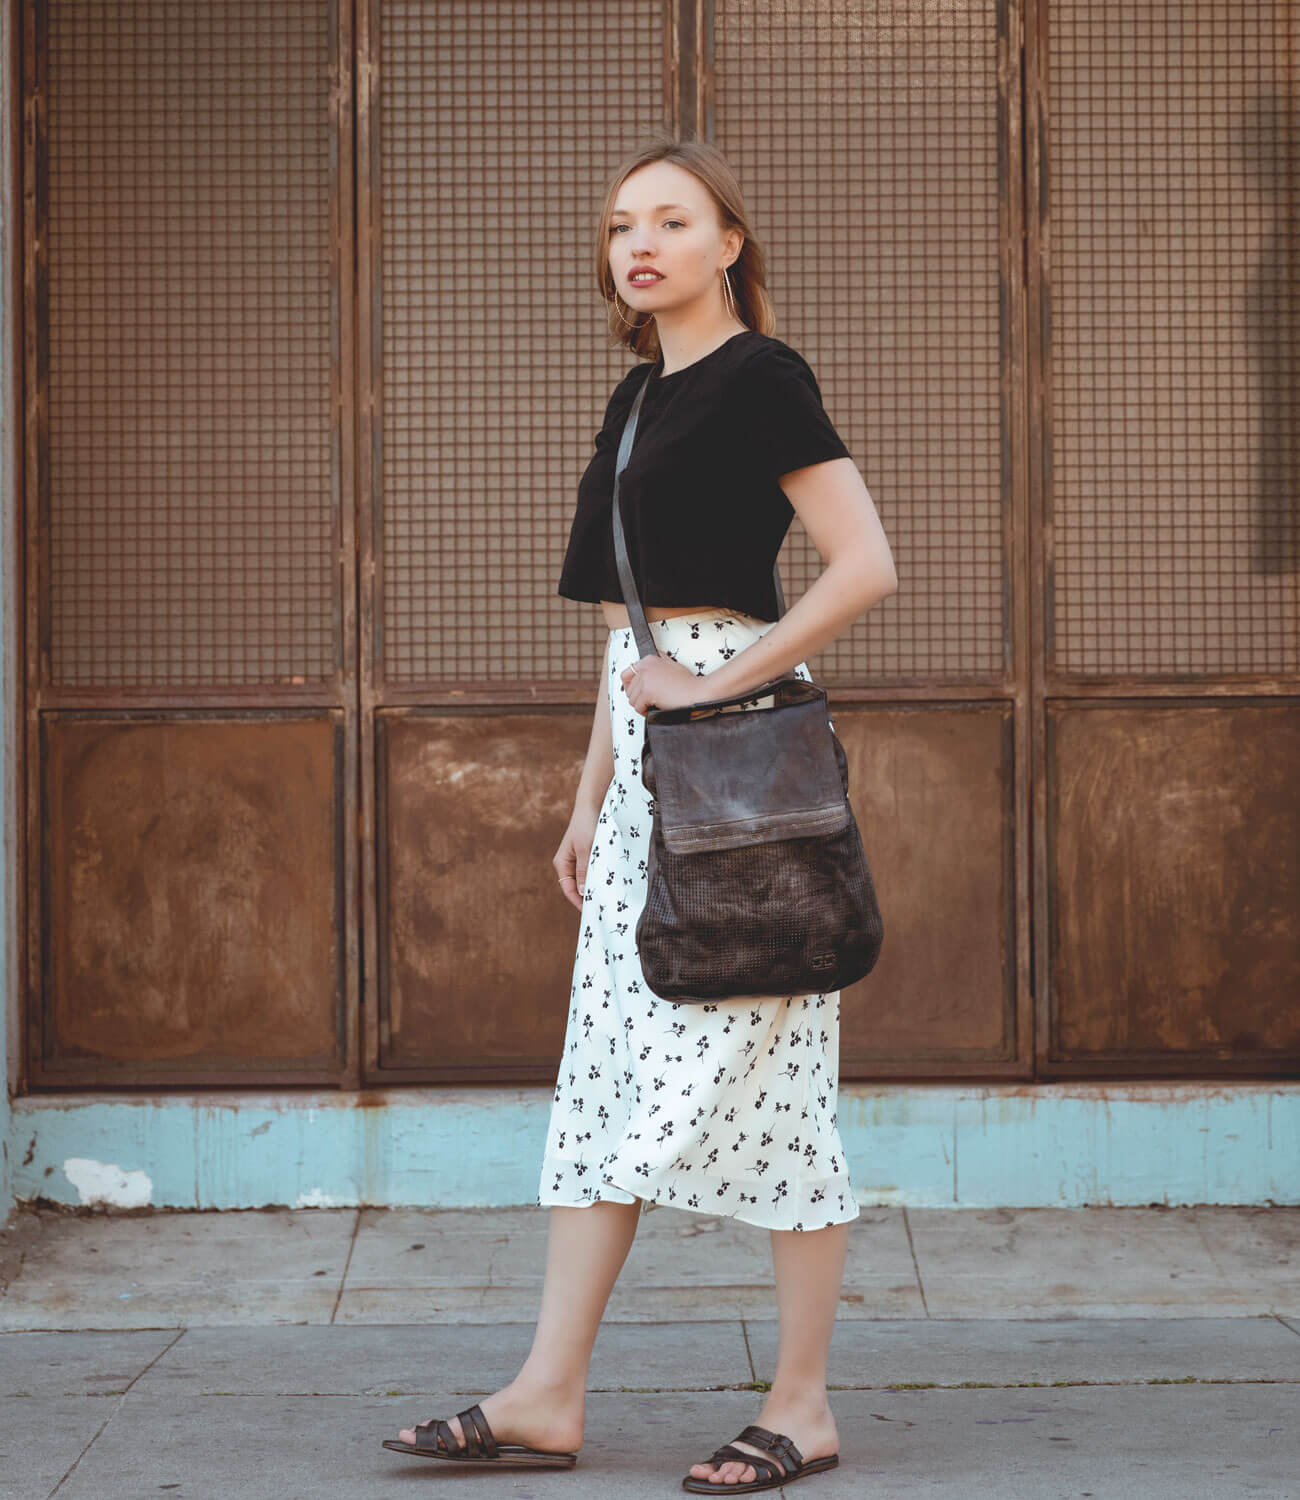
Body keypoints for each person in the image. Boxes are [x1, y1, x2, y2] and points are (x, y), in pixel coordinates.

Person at [384, 136, 898, 1492]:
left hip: (740, 770)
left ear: (731, 242)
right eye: (622, 225)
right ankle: (549, 1393)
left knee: (771, 1092)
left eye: (672, 219)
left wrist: (716, 680)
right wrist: (586, 793)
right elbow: (630, 632)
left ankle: (802, 1403)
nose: (640, 243)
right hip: (647, 776)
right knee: (605, 1082)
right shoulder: (634, 397)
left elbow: (867, 565)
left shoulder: (765, 378)